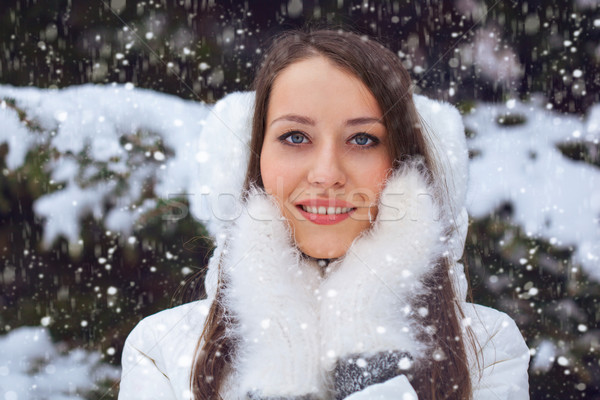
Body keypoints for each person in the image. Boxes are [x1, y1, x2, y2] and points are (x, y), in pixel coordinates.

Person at [118, 30, 530, 400]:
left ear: (405, 166)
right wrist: (280, 351)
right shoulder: (160, 350)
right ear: (251, 157)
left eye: (363, 139)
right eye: (295, 137)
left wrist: (369, 333)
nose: (327, 174)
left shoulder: (488, 348)